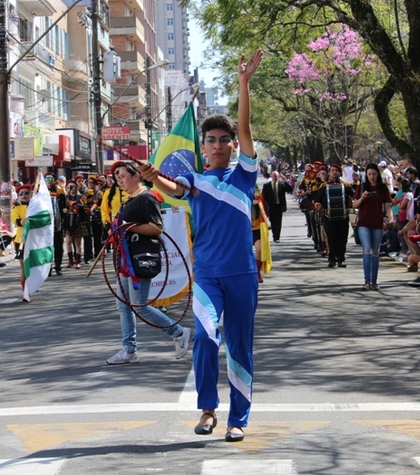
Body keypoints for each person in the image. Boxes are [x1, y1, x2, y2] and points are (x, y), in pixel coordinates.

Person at [140, 49, 263, 443]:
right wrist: (154, 177)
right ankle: (208, 409)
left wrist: (243, 83)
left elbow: (246, 128)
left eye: (224, 140)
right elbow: (172, 188)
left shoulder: (245, 175)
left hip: (242, 275)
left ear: (233, 145)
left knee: (240, 348)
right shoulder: (195, 181)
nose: (218, 144)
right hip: (208, 275)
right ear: (204, 147)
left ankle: (238, 419)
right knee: (207, 338)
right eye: (211, 140)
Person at [105, 161, 191, 366]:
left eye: (122, 176)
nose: (119, 180)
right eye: (117, 177)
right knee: (123, 305)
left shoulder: (147, 198)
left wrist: (128, 227)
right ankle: (129, 350)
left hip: (140, 260)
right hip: (125, 261)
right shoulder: (128, 201)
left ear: (136, 176)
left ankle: (178, 332)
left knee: (139, 305)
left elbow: (156, 228)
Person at [352, 163, 394, 290]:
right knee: (367, 250)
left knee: (375, 252)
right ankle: (367, 281)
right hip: (363, 223)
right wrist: (362, 198)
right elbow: (354, 205)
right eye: (369, 174)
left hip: (377, 224)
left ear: (378, 175)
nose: (372, 177)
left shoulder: (382, 188)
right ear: (366, 175)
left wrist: (390, 218)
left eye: (374, 174)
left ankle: (374, 282)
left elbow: (387, 205)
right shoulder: (362, 187)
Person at [315, 163, 355, 268]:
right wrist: (318, 205)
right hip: (328, 216)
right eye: (332, 170)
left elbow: (354, 195)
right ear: (329, 173)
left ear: (340, 173)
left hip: (343, 216)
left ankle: (341, 259)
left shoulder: (346, 185)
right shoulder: (323, 186)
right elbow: (317, 200)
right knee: (331, 238)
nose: (334, 172)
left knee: (343, 238)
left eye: (336, 170)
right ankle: (332, 259)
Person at [262, 170, 292, 242]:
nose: (275, 177)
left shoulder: (281, 185)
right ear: (271, 176)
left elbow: (290, 189)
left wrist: (285, 182)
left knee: (278, 222)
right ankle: (274, 235)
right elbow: (263, 196)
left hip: (279, 206)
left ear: (278, 177)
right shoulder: (266, 186)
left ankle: (277, 237)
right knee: (272, 221)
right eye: (273, 176)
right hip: (271, 207)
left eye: (276, 176)